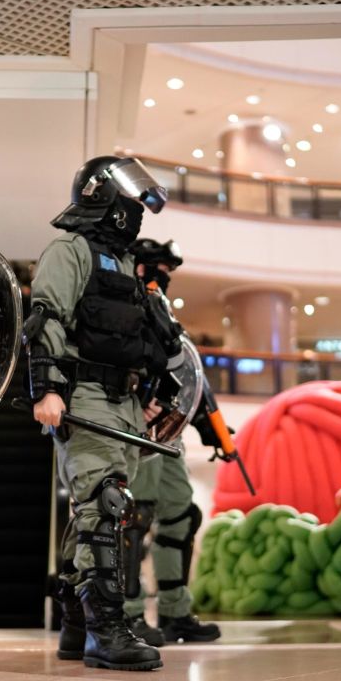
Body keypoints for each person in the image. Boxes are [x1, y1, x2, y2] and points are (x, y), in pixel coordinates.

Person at [26, 155, 175, 671]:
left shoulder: (121, 261)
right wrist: (46, 387)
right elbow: (46, 316)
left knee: (100, 510)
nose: (135, 211)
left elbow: (139, 337)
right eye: (130, 200)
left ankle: (75, 625)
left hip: (125, 403)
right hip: (84, 395)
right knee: (103, 507)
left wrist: (151, 391)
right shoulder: (70, 250)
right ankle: (105, 629)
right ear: (101, 196)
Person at [122, 238, 220, 646]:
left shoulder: (158, 307)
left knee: (181, 515)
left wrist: (211, 425)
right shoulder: (125, 302)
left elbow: (182, 368)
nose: (165, 275)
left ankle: (175, 611)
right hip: (139, 426)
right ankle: (126, 615)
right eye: (159, 267)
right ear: (141, 267)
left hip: (169, 430)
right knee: (133, 517)